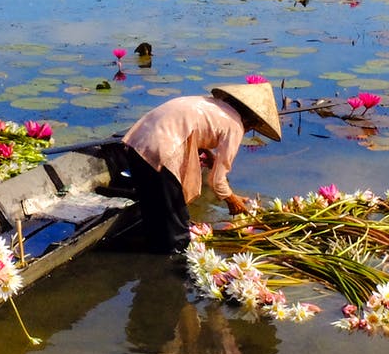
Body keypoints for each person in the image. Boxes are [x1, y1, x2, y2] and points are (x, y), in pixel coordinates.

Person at [121, 82, 282, 254]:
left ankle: (152, 247)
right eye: (252, 127)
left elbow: (192, 128)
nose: (248, 130)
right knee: (176, 223)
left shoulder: (207, 103)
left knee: (152, 208)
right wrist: (232, 200)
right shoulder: (235, 126)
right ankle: (172, 259)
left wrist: (208, 154)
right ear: (251, 121)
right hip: (162, 150)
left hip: (137, 143)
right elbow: (217, 181)